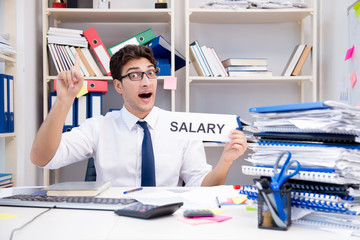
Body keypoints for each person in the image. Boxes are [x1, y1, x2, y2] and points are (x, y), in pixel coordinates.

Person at [30, 44, 248, 187]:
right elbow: (42, 159)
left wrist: (225, 161)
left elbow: (201, 187)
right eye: (134, 75)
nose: (146, 81)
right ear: (118, 86)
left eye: (151, 73)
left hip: (166, 222)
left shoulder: (182, 127)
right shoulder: (98, 127)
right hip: (113, 222)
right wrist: (63, 101)